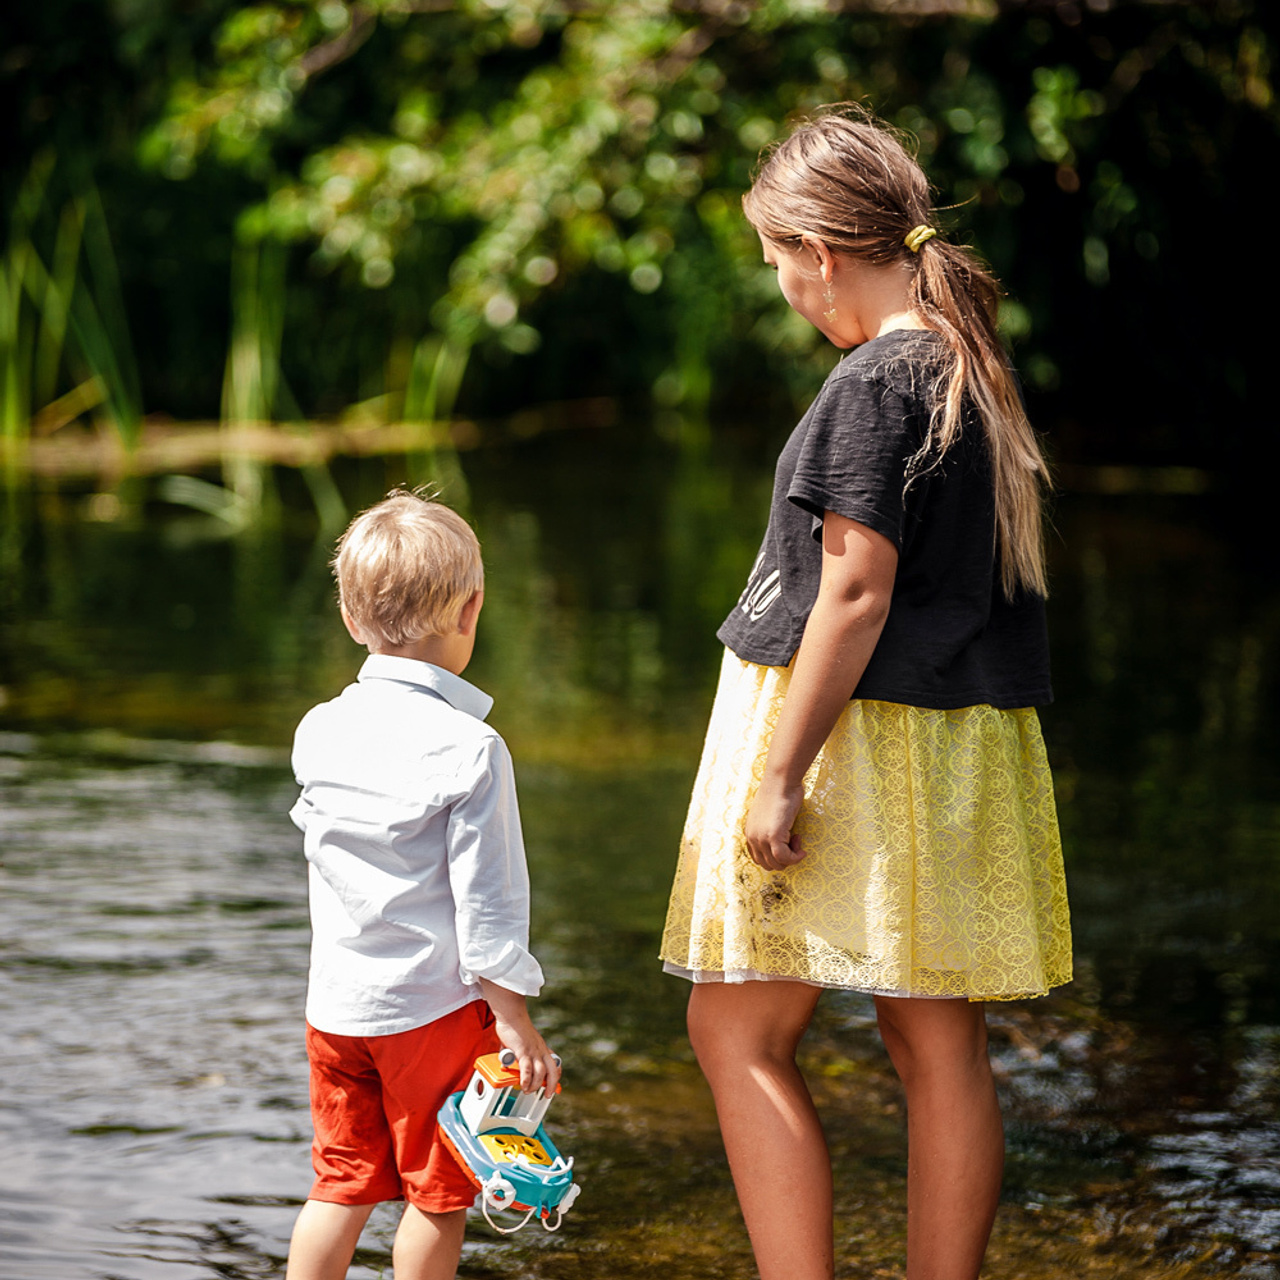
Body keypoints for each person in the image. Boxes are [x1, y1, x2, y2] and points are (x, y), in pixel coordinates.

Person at [659, 106, 1072, 1280]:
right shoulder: (964, 365)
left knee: (734, 1023)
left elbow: (852, 593)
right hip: (955, 738)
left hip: (858, 741)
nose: (785, 290)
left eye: (779, 264)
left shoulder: (869, 383)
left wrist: (779, 772)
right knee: (935, 1037)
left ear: (821, 253)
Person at [285, 490, 560, 1280]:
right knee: (436, 1196)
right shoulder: (472, 750)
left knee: (339, 1184)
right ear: (472, 611)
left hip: (335, 1010)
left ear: (348, 619)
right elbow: (489, 904)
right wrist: (515, 1021)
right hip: (429, 1012)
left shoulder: (319, 729)